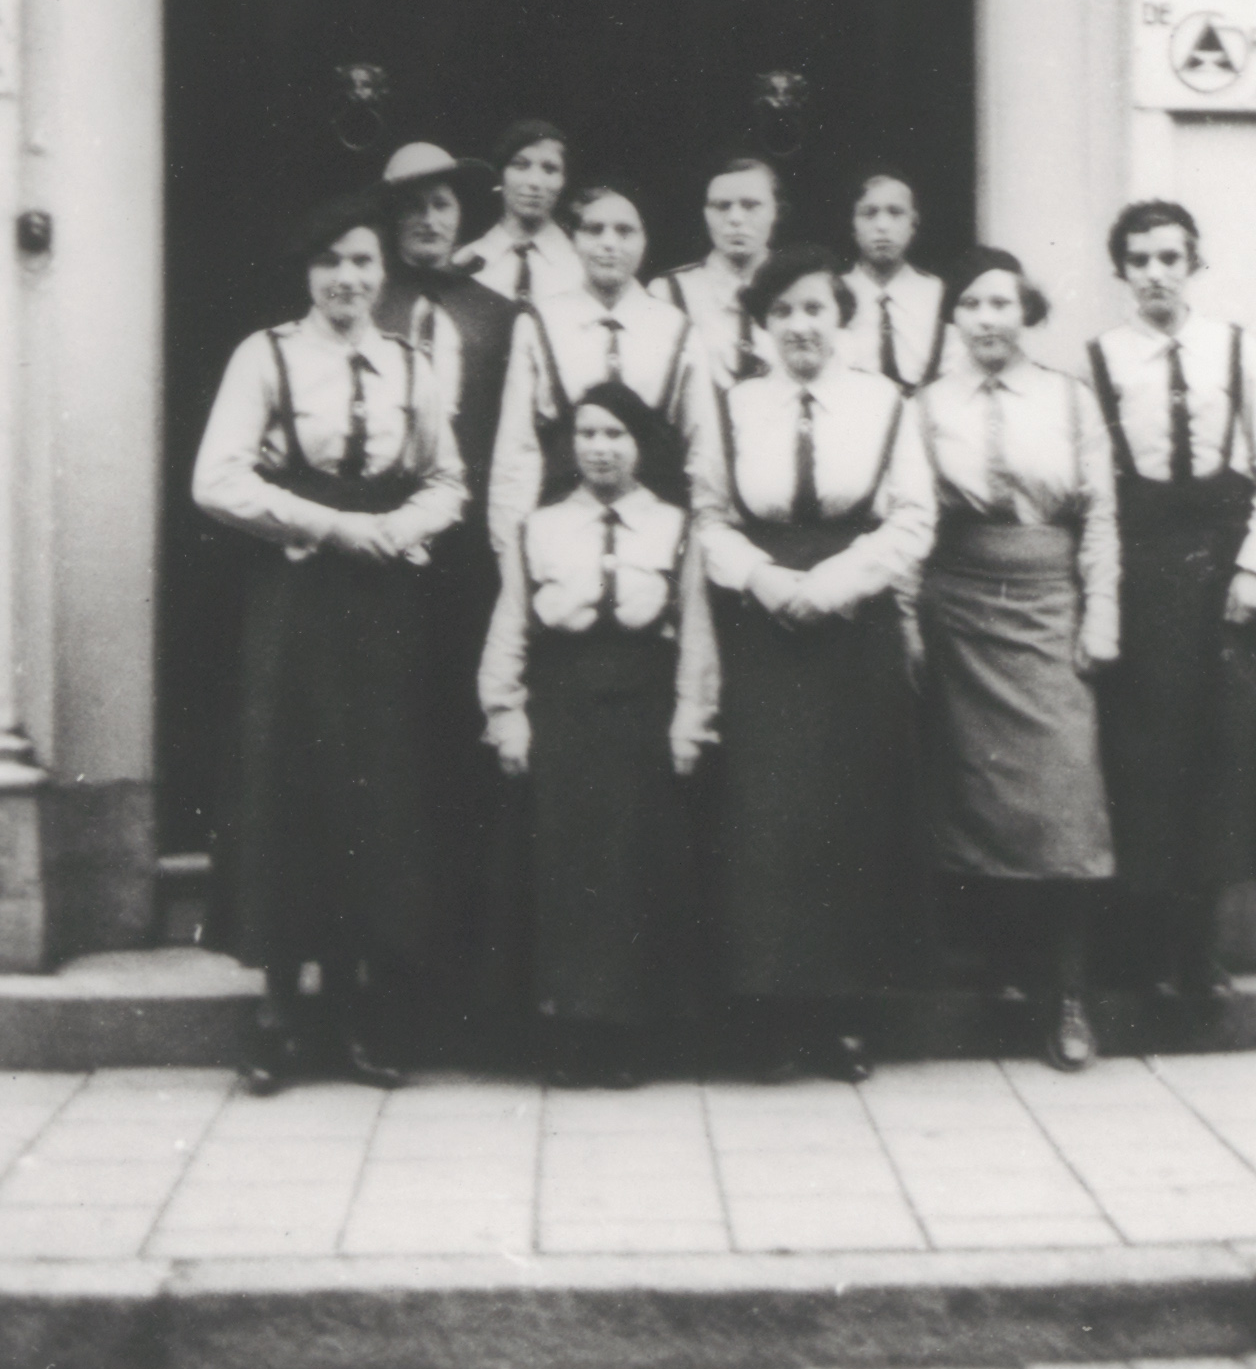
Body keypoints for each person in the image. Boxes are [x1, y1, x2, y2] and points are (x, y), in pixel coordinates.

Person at [193, 195, 467, 1095]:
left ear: (383, 272)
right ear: (305, 272)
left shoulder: (410, 364)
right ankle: (280, 1014)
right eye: (329, 263)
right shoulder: (266, 356)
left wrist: (399, 528)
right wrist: (328, 525)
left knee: (373, 789)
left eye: (361, 262)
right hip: (297, 596)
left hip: (382, 603)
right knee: (290, 781)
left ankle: (356, 1012)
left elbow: (446, 478)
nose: (346, 279)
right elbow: (216, 480)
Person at [695, 244, 939, 1083]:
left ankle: (843, 1016)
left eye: (814, 309)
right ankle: (770, 1015)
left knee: (848, 811)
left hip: (851, 627)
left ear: (841, 318)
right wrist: (762, 579)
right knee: (765, 817)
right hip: (760, 629)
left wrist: (836, 583)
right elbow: (708, 516)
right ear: (761, 324)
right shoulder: (731, 406)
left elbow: (913, 518)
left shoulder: (884, 404)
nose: (799, 326)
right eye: (782, 312)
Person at [1088, 201, 1256, 1014]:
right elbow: (1097, 491)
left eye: (1168, 258)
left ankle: (1198, 948)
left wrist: (1254, 570)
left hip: (1224, 579)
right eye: (1138, 260)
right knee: (1147, 759)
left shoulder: (1234, 349)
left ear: (1192, 265)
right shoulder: (1102, 359)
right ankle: (1146, 950)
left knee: (1223, 755)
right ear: (1120, 270)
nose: (1154, 274)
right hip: (1146, 580)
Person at [907, 247, 1119, 1073]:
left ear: (1026, 310)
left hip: (1047, 600)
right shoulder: (927, 404)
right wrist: (907, 622)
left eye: (1000, 302)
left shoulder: (1068, 399)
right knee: (975, 793)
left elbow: (1098, 516)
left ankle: (1067, 996)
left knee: (1062, 796)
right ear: (953, 318)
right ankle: (998, 975)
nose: (986, 318)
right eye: (970, 304)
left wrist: (1098, 615)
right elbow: (910, 518)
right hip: (958, 603)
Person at [479, 381, 718, 1087]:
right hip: (563, 707)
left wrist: (690, 721)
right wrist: (505, 715)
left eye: (615, 434)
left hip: (643, 708)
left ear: (640, 445)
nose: (600, 448)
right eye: (586, 434)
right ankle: (567, 1032)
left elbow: (696, 633)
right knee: (565, 867)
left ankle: (627, 1033)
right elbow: (511, 625)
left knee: (633, 869)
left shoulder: (675, 527)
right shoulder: (540, 526)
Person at [371, 142, 519, 1039]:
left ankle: (469, 965)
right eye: (412, 207)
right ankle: (392, 965)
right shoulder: (365, 303)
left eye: (442, 205)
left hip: (471, 562)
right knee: (392, 747)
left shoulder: (498, 314)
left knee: (467, 739)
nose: (428, 221)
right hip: (384, 551)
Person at [488, 182, 717, 559]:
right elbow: (517, 450)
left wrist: (702, 546)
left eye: (625, 231)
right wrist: (512, 553)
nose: (609, 243)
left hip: (656, 534)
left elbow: (704, 450)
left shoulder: (675, 328)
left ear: (645, 240)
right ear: (574, 240)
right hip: (562, 532)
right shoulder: (541, 322)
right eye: (594, 230)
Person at [648, 156, 780, 390]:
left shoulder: (803, 286)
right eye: (721, 206)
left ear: (775, 211)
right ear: (705, 213)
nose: (735, 219)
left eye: (751, 205)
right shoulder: (669, 292)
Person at [841, 168, 952, 390]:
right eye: (869, 213)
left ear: (913, 223)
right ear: (853, 224)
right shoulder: (835, 292)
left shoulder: (938, 293)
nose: (882, 226)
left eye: (895, 212)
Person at [455, 117, 583, 306]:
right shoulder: (463, 262)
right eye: (520, 166)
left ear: (564, 181)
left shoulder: (582, 262)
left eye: (549, 169)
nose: (534, 182)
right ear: (501, 176)